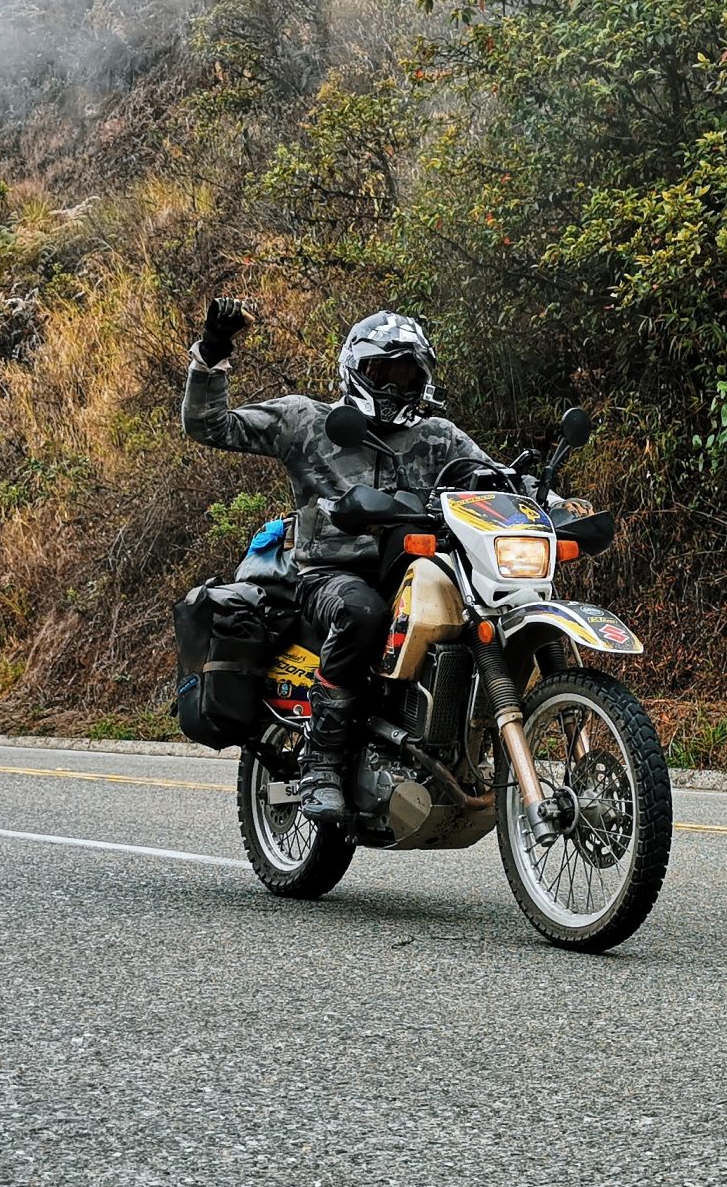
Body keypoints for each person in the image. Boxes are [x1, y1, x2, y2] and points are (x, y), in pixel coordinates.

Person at [181, 297, 497, 825]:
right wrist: (214, 351)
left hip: (419, 572)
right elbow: (210, 426)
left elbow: (491, 480)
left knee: (483, 615)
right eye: (383, 371)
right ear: (356, 369)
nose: (396, 385)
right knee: (364, 612)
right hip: (329, 575)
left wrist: (550, 503)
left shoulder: (438, 437)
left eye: (407, 372)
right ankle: (322, 764)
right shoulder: (308, 421)